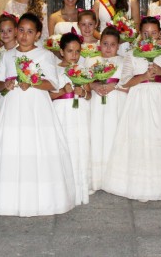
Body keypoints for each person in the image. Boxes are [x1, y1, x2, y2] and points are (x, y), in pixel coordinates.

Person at [0, 13, 76, 216]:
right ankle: (8, 197)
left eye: (30, 32)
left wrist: (33, 82)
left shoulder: (45, 56)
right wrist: (6, 83)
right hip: (11, 107)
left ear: (37, 34)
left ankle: (39, 198)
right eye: (21, 30)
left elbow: (53, 84)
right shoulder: (6, 55)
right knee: (11, 147)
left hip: (36, 107)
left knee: (35, 148)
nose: (24, 35)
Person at [102, 17, 161, 201]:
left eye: (153, 33)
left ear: (159, 33)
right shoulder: (132, 54)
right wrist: (144, 76)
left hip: (160, 99)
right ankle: (137, 182)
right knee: (139, 137)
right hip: (138, 99)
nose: (149, 37)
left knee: (158, 137)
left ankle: (160, 181)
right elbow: (125, 81)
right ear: (140, 34)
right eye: (145, 33)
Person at [51, 32, 92, 205]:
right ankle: (62, 189)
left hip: (79, 111)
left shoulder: (82, 69)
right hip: (61, 111)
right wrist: (62, 90)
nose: (74, 56)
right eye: (69, 51)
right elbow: (48, 96)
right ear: (61, 51)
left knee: (79, 146)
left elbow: (89, 94)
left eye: (77, 52)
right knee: (63, 147)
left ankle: (79, 187)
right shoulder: (54, 68)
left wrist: (82, 92)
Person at [87, 26, 127, 192]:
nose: (108, 48)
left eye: (112, 44)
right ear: (99, 44)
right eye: (105, 44)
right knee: (96, 134)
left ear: (118, 46)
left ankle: (115, 178)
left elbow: (130, 83)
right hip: (96, 102)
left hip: (116, 102)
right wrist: (94, 85)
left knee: (113, 134)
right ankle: (97, 177)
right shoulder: (90, 60)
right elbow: (84, 80)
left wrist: (114, 86)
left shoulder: (124, 61)